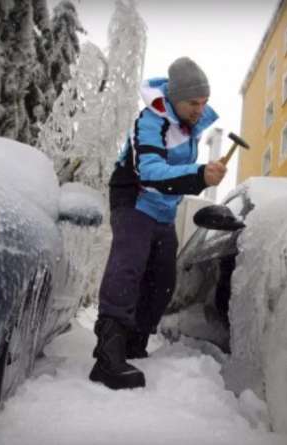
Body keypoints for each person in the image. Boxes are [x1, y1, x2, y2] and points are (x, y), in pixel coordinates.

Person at [89, 57, 226, 390]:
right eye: (193, 102)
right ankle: (108, 354)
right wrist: (198, 175)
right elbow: (148, 172)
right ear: (175, 98)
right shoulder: (150, 121)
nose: (199, 109)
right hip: (134, 199)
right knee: (128, 267)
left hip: (163, 210)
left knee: (163, 280)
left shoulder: (191, 127)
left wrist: (200, 175)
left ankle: (134, 343)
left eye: (204, 103)